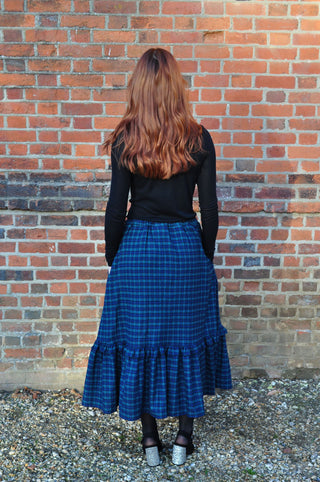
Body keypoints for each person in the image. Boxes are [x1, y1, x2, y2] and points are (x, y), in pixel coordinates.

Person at [82, 48, 232, 467]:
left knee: (140, 342)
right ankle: (184, 439)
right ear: (175, 87)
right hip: (185, 247)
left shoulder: (126, 138)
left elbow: (116, 209)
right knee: (186, 339)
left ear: (140, 88)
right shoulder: (199, 137)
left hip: (138, 251)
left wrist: (117, 256)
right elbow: (212, 209)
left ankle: (150, 442)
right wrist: (202, 258)